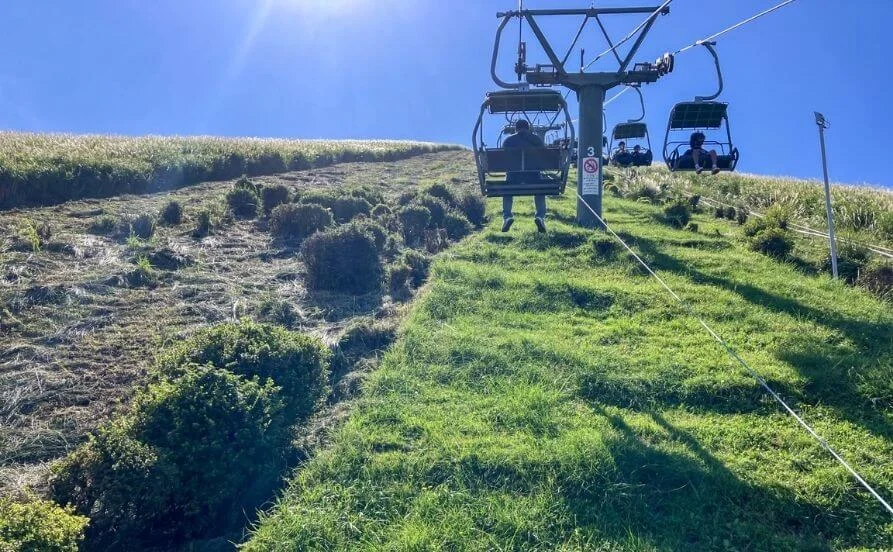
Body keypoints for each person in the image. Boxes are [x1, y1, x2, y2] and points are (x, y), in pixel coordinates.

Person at [501, 119, 547, 233]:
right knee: (540, 190)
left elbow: (503, 157)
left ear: (516, 128)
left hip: (513, 177)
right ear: (528, 128)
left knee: (507, 190)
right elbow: (545, 156)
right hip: (533, 177)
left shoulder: (508, 140)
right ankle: (540, 216)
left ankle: (507, 216)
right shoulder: (536, 139)